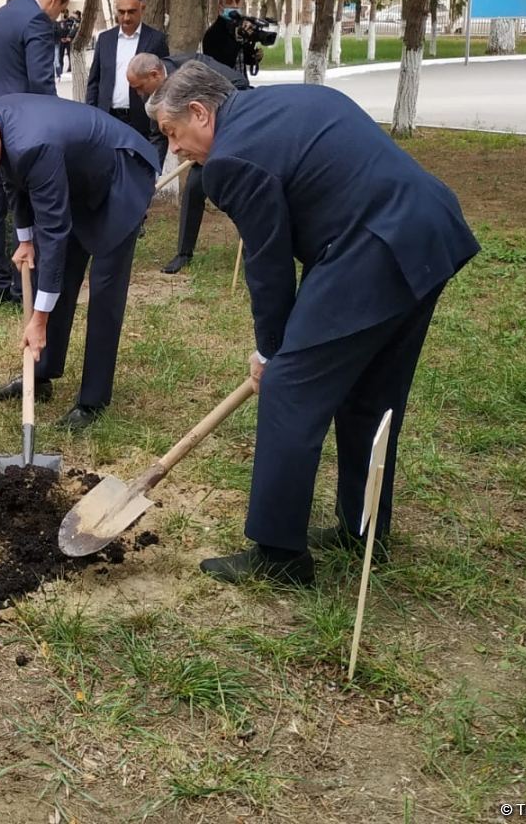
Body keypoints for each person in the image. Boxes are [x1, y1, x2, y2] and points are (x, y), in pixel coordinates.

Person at [147, 62, 479, 585]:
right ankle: (362, 527)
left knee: (289, 391)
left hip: (370, 246)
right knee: (372, 392)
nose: (175, 150)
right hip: (427, 229)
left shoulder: (231, 160)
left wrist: (272, 352)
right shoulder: (279, 102)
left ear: (199, 112)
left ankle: (279, 554)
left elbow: (269, 265)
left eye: (173, 134)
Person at [0, 96, 157, 431]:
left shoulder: (33, 143)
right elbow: (14, 180)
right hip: (75, 176)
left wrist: (38, 320)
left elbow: (53, 232)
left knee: (104, 287)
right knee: (60, 273)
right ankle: (40, 376)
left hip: (119, 175)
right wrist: (25, 239)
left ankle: (92, 401)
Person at [0, 0, 72, 305]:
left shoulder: (0, 14)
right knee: (26, 206)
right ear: (56, 0)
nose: (57, 18)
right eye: (60, 12)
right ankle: (22, 286)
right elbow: (42, 83)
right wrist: (54, 123)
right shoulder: (37, 20)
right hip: (18, 129)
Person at [127, 51, 248, 274]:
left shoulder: (193, 68)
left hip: (233, 133)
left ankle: (251, 243)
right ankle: (184, 253)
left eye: (139, 87)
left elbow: (239, 86)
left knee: (244, 190)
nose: (137, 93)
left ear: (154, 75)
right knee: (193, 188)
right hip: (200, 144)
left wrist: (219, 132)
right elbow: (158, 140)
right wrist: (148, 177)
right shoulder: (155, 97)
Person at [85, 0, 169, 150]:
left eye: (131, 11)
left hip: (141, 119)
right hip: (108, 117)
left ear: (142, 9)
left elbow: (163, 83)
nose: (126, 17)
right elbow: (94, 81)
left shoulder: (156, 40)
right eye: (121, 12)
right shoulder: (105, 39)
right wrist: (91, 114)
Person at [201, 0, 246, 73]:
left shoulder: (240, 28)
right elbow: (224, 64)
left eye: (237, 2)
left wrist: (254, 56)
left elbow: (242, 59)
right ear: (220, 7)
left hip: (242, 83)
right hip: (223, 85)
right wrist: (237, 39)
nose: (234, 6)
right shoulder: (212, 34)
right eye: (229, 2)